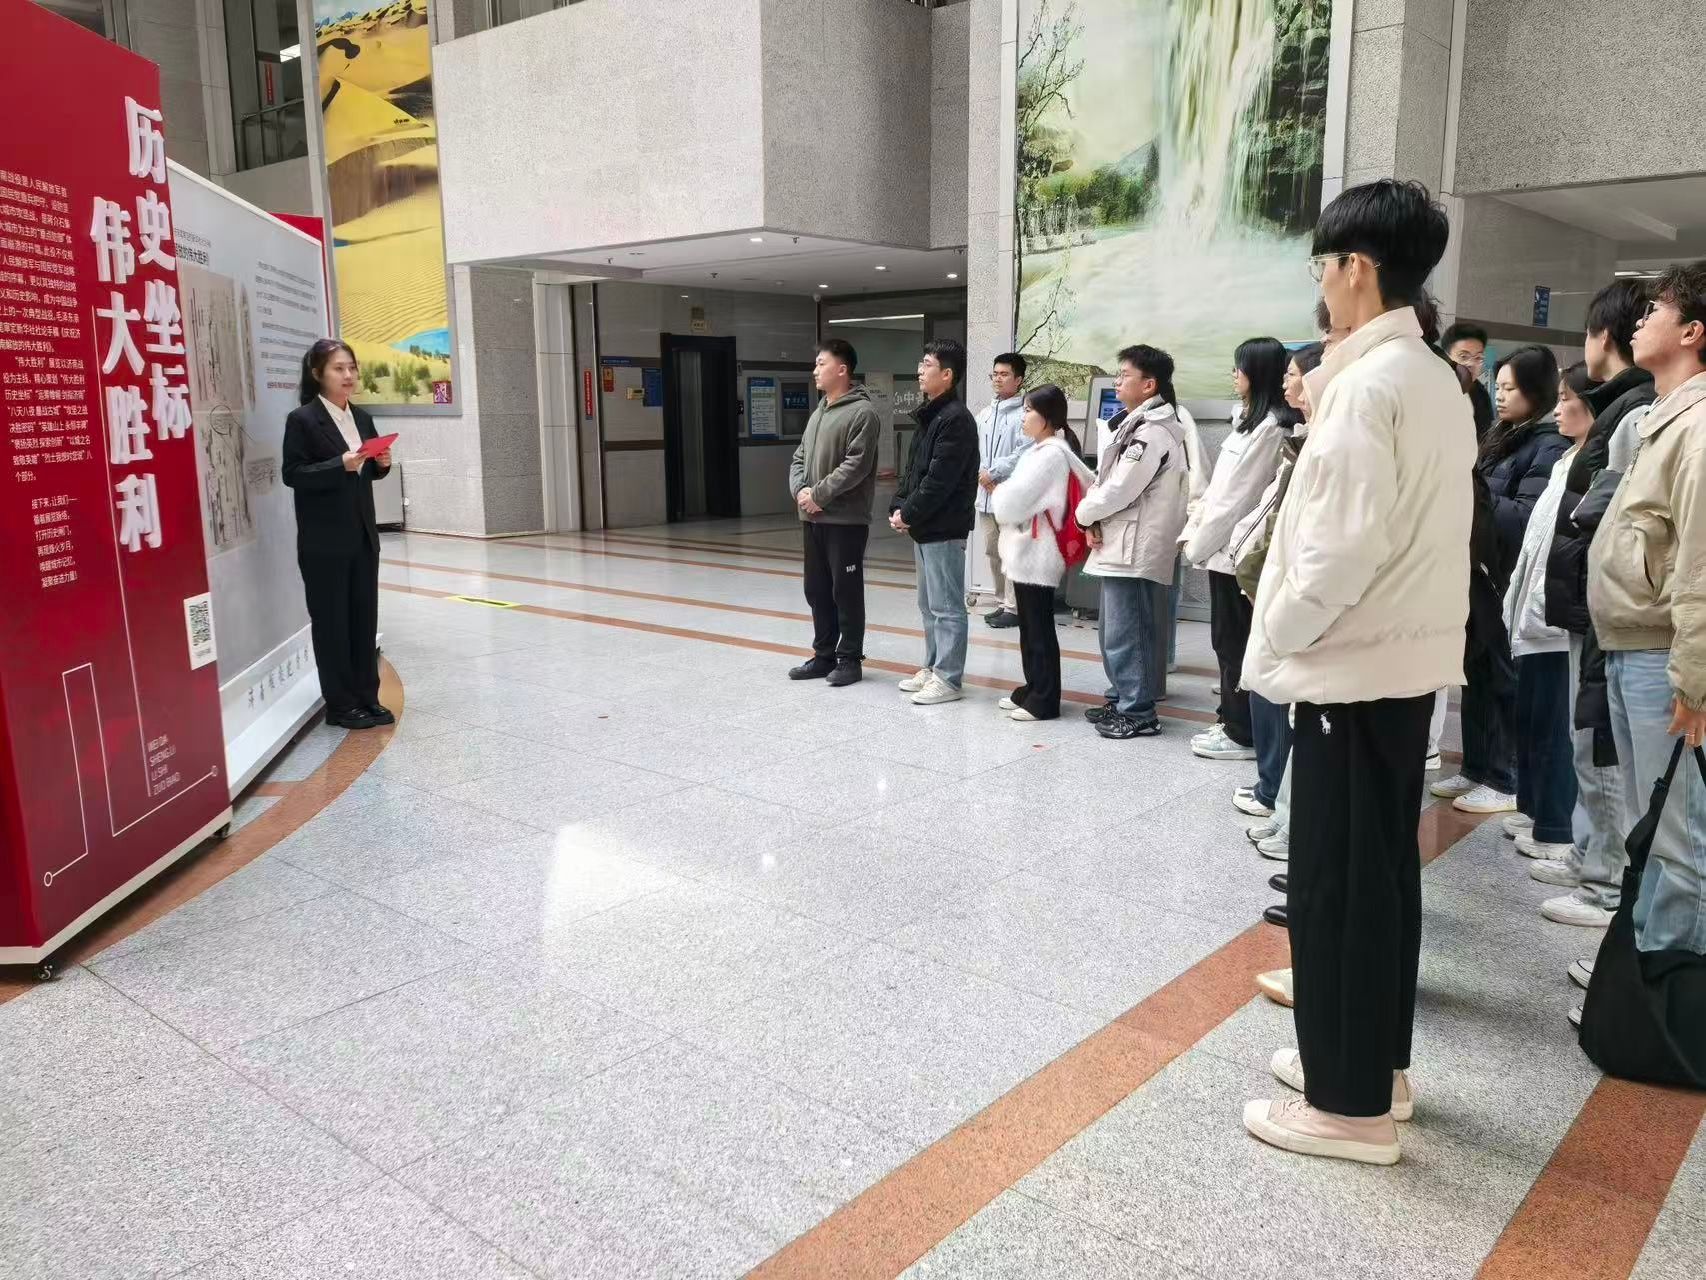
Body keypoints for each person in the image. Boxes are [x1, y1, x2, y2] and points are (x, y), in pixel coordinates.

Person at [1241, 179, 1474, 1166]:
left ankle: (1347, 1109)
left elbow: (1335, 553)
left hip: (1348, 665)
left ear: (1357, 269)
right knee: (1382, 874)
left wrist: (1279, 626)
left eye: (1323, 263)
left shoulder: (1366, 387)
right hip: (1403, 662)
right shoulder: (1431, 377)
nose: (1320, 281)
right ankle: (1375, 1068)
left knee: (1334, 884)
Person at [1587, 261, 1706, 974]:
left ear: (1693, 332)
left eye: (1656, 309)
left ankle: (1670, 992)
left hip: (1665, 655)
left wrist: (1695, 679)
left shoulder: (1700, 425)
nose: (1640, 319)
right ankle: (1640, 976)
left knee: (1678, 835)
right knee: (1651, 825)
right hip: (1635, 644)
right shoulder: (1664, 416)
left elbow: (1700, 564)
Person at [1537, 281, 1654, 941]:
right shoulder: (1621, 406)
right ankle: (1592, 856)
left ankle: (1606, 878)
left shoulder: (1636, 409)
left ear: (1603, 337)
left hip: (1612, 606)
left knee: (1601, 742)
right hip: (1592, 599)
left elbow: (1603, 513)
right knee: (1590, 733)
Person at [1433, 344, 1566, 815]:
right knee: (1476, 671)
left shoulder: (1548, 444)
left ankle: (1505, 777)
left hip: (1504, 576)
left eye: (1512, 388)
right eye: (1499, 386)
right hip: (1479, 571)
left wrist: (1474, 495)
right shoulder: (1502, 434)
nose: (1502, 395)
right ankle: (1476, 766)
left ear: (1537, 390)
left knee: (1503, 677)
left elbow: (1527, 516)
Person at [1182, 338, 1295, 762]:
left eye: (1240, 367)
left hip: (1237, 553)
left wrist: (1197, 545)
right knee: (1225, 640)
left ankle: (1241, 732)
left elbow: (1235, 499)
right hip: (1222, 549)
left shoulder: (1271, 429)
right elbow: (1218, 493)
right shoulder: (1249, 422)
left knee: (1235, 642)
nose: (1234, 374)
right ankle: (1230, 719)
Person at [1076, 344, 1191, 740]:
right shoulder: (1135, 422)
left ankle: (1139, 711)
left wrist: (1084, 514)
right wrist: (1092, 516)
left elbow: (1121, 487)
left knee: (1130, 631)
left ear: (1149, 384)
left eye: (1125, 375)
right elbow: (1107, 481)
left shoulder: (1154, 431)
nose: (1117, 381)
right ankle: (1123, 697)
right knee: (1116, 630)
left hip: (1135, 545)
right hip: (1122, 540)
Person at [1229, 342, 1320, 824]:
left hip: (1291, 585)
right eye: (1284, 375)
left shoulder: (1309, 441)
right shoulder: (1300, 438)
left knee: (1277, 690)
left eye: (1294, 374)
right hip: (1267, 575)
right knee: (1263, 682)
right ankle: (1273, 790)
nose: (1287, 383)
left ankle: (1275, 792)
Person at [283, 339, 394, 730]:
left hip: (363, 537)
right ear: (317, 374)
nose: (348, 376)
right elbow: (292, 474)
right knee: (332, 623)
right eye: (338, 369)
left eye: (352, 367)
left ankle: (367, 697)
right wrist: (339, 464)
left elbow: (368, 473)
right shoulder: (303, 420)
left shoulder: (361, 417)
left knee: (363, 619)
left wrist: (381, 464)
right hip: (324, 542)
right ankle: (341, 704)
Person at [1502, 361, 1582, 864]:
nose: (1558, 409)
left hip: (1556, 618)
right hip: (1533, 612)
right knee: (1532, 719)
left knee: (1555, 726)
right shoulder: (1566, 457)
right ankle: (1534, 809)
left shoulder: (1582, 459)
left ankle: (1556, 827)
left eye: (1567, 399)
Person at [989, 383, 1095, 721]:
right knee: (1030, 626)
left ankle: (1044, 699)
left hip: (1039, 552)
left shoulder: (1050, 455)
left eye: (1028, 410)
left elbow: (1011, 502)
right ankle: (1033, 688)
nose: (1023, 417)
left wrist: (999, 492)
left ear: (1046, 417)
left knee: (1038, 627)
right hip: (1029, 550)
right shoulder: (1040, 450)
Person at [787, 339, 881, 687]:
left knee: (846, 591)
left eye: (821, 363)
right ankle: (823, 655)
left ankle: (850, 659)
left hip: (845, 520)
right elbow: (799, 457)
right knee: (816, 589)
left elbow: (856, 465)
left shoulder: (863, 413)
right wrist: (801, 491)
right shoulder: (819, 412)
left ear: (842, 370)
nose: (815, 370)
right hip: (812, 517)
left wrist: (819, 495)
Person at [893, 339, 979, 706]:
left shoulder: (955, 419)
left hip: (944, 527)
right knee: (928, 605)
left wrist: (908, 513)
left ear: (947, 374)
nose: (919, 370)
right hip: (925, 527)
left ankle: (948, 678)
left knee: (947, 607)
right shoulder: (930, 415)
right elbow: (913, 471)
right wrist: (899, 505)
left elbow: (939, 481)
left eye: (927, 364)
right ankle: (932, 666)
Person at [975, 353, 1029, 629]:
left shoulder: (1025, 415)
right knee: (992, 551)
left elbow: (1024, 452)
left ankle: (1014, 607)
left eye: (1004, 374)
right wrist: (981, 475)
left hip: (1009, 496)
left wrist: (993, 473)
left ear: (1018, 380)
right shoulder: (984, 414)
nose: (998, 378)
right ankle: (1001, 602)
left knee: (1011, 552)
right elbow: (974, 450)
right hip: (985, 496)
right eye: (995, 374)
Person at [1442, 320, 1495, 440]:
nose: (1471, 363)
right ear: (1446, 358)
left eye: (1478, 358)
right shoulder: (1434, 390)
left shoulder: (1481, 394)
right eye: (1463, 356)